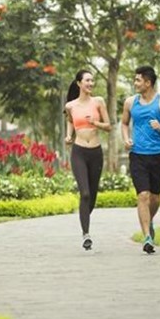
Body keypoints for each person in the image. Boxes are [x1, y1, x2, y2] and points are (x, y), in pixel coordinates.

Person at [120, 65, 160, 254]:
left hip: (158, 155)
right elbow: (124, 123)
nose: (135, 83)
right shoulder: (130, 102)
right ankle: (147, 237)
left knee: (154, 197)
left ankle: (149, 220)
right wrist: (126, 139)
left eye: (138, 80)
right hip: (137, 155)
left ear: (148, 82)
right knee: (143, 195)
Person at [64, 70, 112, 250]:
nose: (91, 83)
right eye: (87, 80)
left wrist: (95, 123)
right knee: (84, 193)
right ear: (79, 83)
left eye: (92, 80)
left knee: (91, 196)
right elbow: (70, 121)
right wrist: (68, 135)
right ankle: (86, 234)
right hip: (79, 152)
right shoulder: (70, 106)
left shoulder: (98, 102)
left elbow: (109, 126)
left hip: (95, 153)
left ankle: (84, 216)